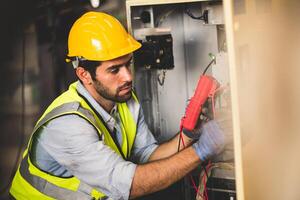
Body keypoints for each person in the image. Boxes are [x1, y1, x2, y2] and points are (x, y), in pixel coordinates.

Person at [9, 12, 225, 200]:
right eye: (114, 70)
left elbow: (146, 155)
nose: (128, 77)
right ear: (84, 75)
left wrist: (188, 137)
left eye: (128, 64)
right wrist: (201, 151)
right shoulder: (67, 126)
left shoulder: (123, 99)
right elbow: (130, 185)